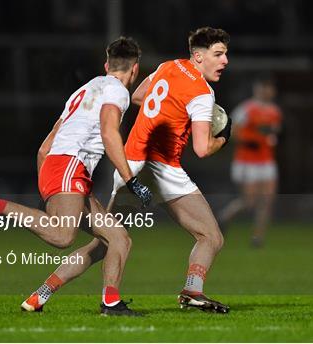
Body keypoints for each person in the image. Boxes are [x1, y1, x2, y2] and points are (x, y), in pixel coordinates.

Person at [21, 27, 232, 314]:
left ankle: (41, 293)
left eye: (225, 55)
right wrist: (224, 136)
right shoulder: (203, 93)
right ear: (198, 56)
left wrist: (169, 112)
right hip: (162, 169)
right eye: (218, 54)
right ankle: (192, 290)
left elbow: (138, 97)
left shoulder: (167, 67)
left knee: (106, 242)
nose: (224, 61)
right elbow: (202, 148)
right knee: (211, 236)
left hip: (132, 164)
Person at [0, 37, 152, 316]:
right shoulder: (118, 91)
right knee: (62, 236)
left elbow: (44, 147)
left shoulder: (82, 91)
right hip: (69, 167)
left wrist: (48, 189)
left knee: (118, 239)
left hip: (61, 167)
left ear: (106, 65)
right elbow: (110, 134)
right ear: (135, 71)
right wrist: (131, 180)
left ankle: (46, 297)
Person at [218, 78, 282, 248]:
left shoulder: (274, 111)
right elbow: (231, 131)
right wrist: (248, 141)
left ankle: (257, 237)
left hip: (267, 161)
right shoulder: (246, 109)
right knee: (249, 201)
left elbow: (273, 132)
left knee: (267, 200)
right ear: (257, 89)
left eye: (269, 88)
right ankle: (225, 216)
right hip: (247, 161)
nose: (267, 91)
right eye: (264, 87)